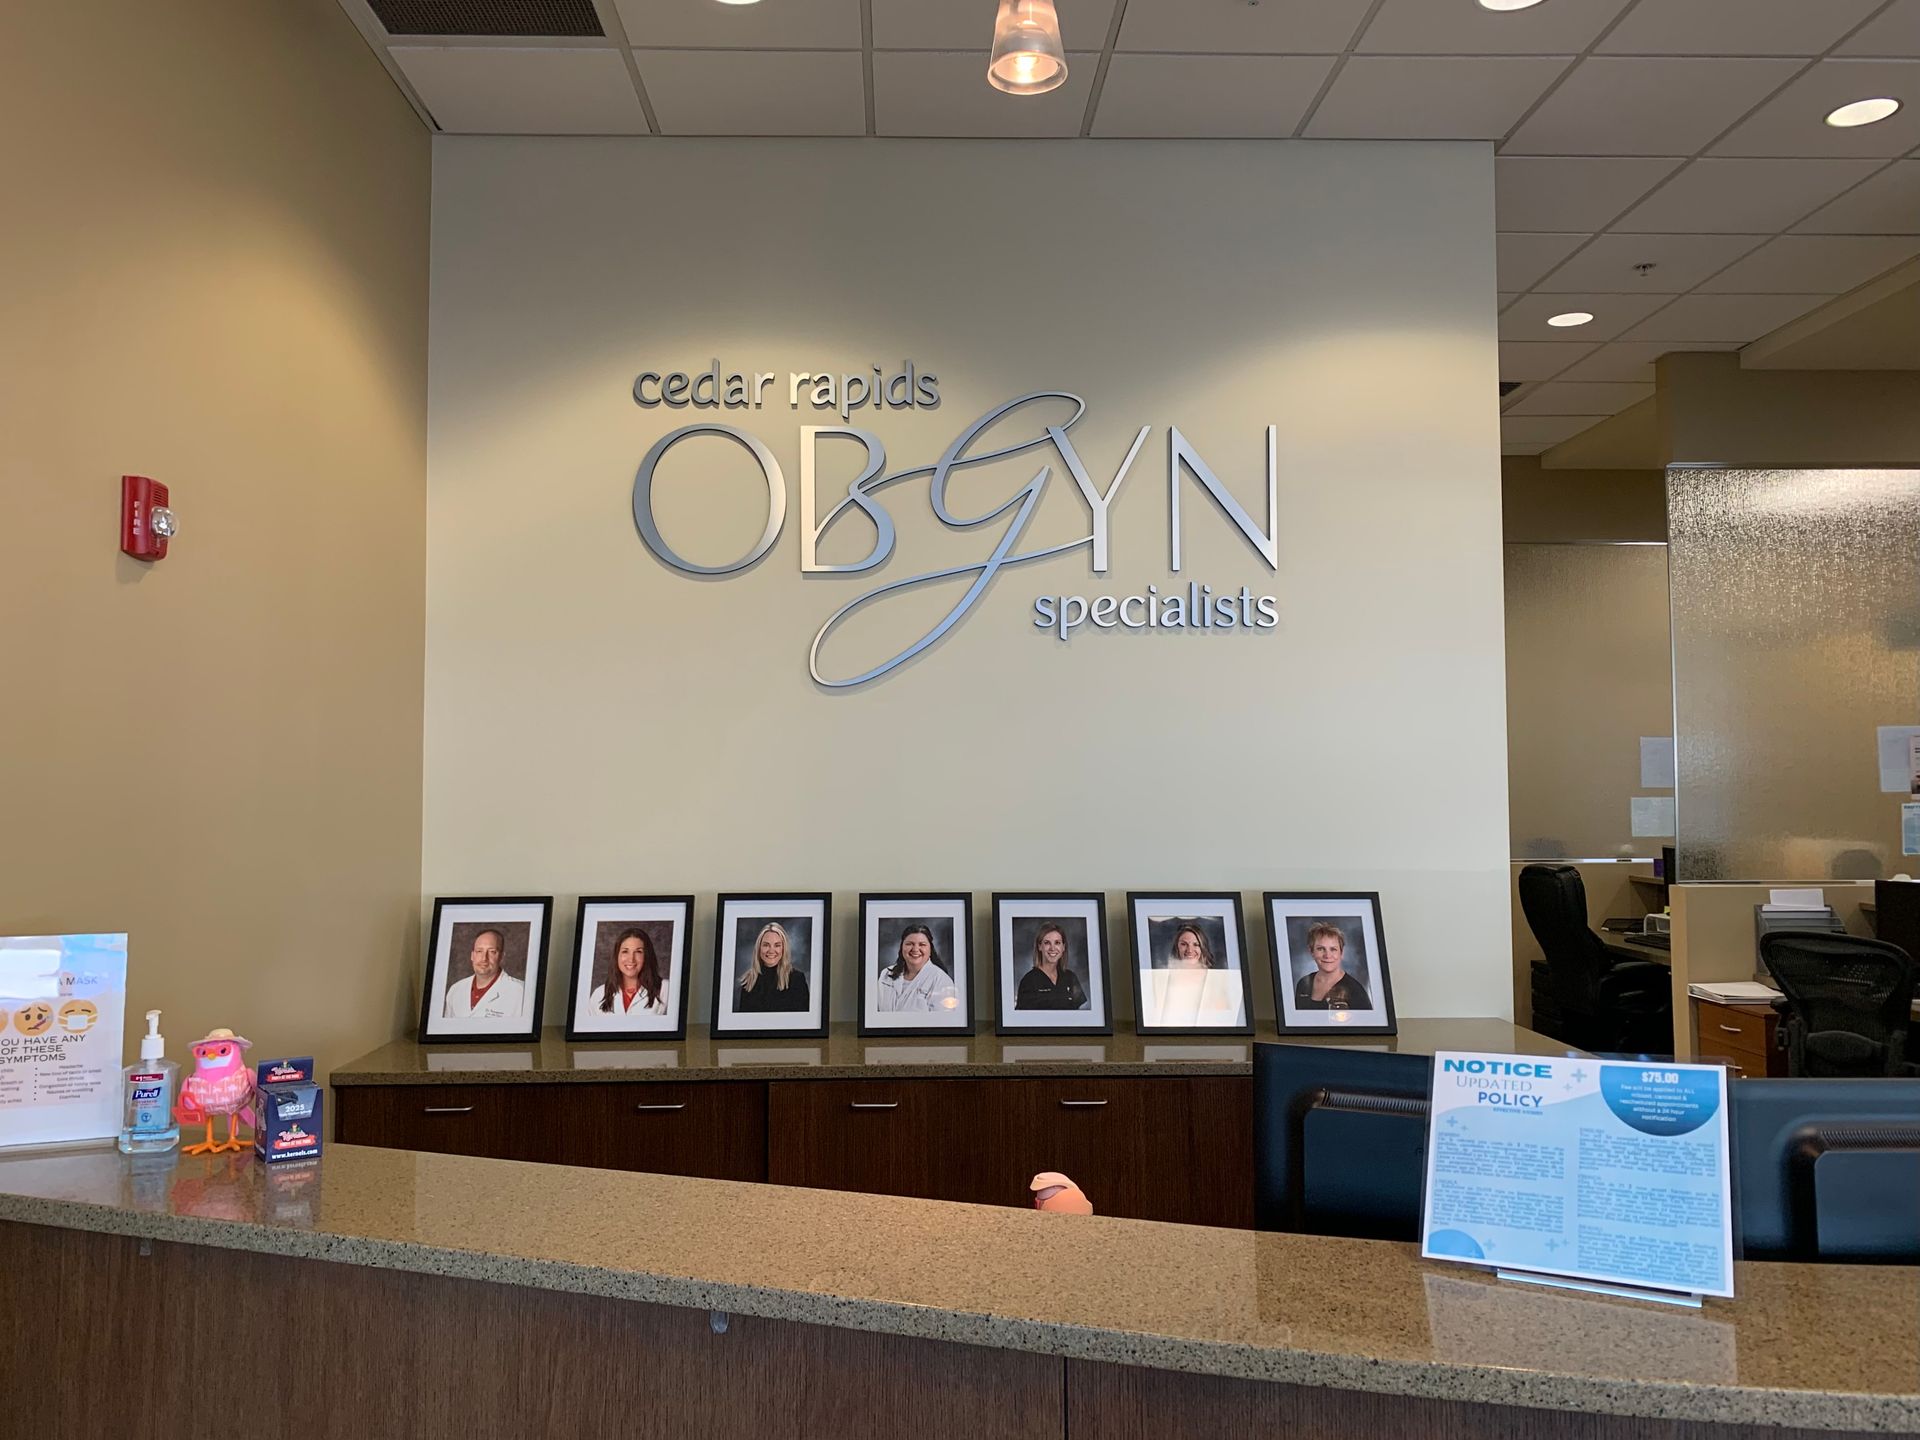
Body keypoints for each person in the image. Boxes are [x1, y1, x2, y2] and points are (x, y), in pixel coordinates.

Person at [1146, 921, 1242, 1027]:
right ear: (1176, 947)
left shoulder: (1219, 981)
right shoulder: (1160, 980)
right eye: (1184, 944)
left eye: (1196, 944)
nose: (1190, 950)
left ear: (1203, 948)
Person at [443, 927, 526, 1020]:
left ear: (502, 957)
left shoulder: (521, 993)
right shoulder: (455, 990)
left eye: (492, 952)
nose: (484, 959)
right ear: (472, 955)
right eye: (479, 951)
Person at [875, 923, 959, 1014]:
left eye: (922, 944)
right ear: (902, 947)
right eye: (909, 944)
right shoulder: (886, 974)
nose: (915, 949)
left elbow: (944, 1022)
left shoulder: (941, 980)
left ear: (930, 949)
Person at [588, 926, 668, 1018]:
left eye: (638, 951)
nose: (631, 959)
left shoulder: (665, 990)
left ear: (647, 956)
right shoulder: (599, 994)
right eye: (625, 951)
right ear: (617, 956)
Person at [735, 921, 811, 1013]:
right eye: (766, 945)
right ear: (759, 948)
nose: (771, 950)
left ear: (784, 948)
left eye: (777, 945)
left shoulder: (797, 979)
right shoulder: (748, 981)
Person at [1293, 922, 1371, 1011]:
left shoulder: (1356, 991)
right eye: (1320, 949)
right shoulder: (1303, 984)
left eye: (1333, 949)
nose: (1327, 955)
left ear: (1341, 953)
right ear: (1311, 952)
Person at [1015, 922, 1089, 1010]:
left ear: (1063, 947)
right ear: (1039, 947)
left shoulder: (1070, 977)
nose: (1052, 948)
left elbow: (1078, 1015)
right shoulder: (1029, 981)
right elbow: (1022, 1020)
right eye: (1047, 943)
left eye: (1057, 943)